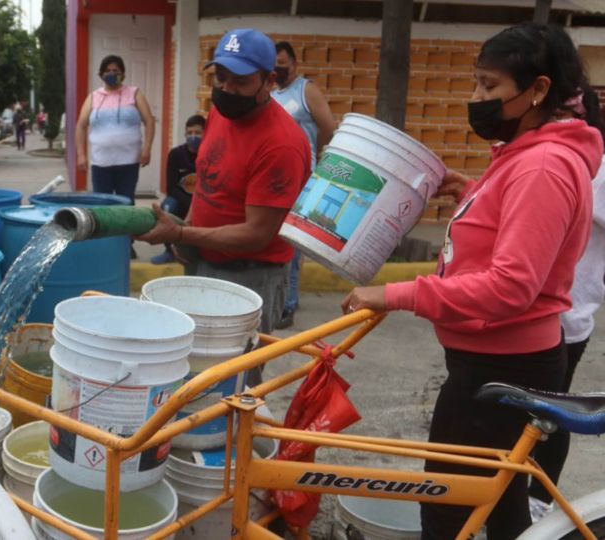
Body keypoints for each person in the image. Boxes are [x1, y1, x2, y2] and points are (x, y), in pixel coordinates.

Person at [340, 23, 604, 539]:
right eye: (476, 83)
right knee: (495, 506)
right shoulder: (527, 154)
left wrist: (398, 294)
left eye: (489, 86)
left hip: (502, 367)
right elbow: (514, 219)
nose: (476, 98)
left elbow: (511, 286)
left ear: (538, 90)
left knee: (447, 512)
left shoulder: (543, 165)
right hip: (493, 360)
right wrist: (476, 191)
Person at [137, 28, 311, 340]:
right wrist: (187, 234)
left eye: (240, 81)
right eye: (221, 76)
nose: (226, 88)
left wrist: (180, 232)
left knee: (236, 379)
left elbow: (256, 234)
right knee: (190, 368)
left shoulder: (282, 144)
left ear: (269, 81)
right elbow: (207, 179)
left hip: (250, 278)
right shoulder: (220, 112)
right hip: (204, 260)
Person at [528, 157, 605, 521]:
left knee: (550, 413)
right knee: (523, 413)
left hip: (567, 316)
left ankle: (538, 500)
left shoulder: (597, 170)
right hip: (542, 311)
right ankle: (516, 495)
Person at [272, 41, 338, 329]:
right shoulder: (271, 92)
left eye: (283, 64)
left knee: (292, 242)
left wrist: (314, 153)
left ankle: (288, 303)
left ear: (295, 64)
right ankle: (283, 295)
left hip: (302, 175)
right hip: (275, 176)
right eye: (274, 65)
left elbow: (328, 127)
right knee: (276, 237)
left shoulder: (305, 89)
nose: (278, 69)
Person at [75, 54, 156, 204]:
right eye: (107, 70)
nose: (111, 74)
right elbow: (80, 126)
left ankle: (126, 228)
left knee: (125, 204)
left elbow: (150, 121)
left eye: (116, 70)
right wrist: (80, 155)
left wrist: (147, 150)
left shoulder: (134, 93)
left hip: (128, 162)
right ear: (101, 74)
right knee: (101, 205)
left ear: (123, 74)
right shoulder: (93, 97)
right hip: (101, 163)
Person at [151, 114, 205, 264]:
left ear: (206, 133)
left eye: (198, 133)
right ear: (185, 134)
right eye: (189, 133)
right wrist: (189, 204)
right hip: (182, 199)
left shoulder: (210, 154)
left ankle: (203, 251)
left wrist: (196, 205)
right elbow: (170, 187)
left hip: (204, 200)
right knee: (168, 206)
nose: (193, 137)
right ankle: (169, 250)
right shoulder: (176, 154)